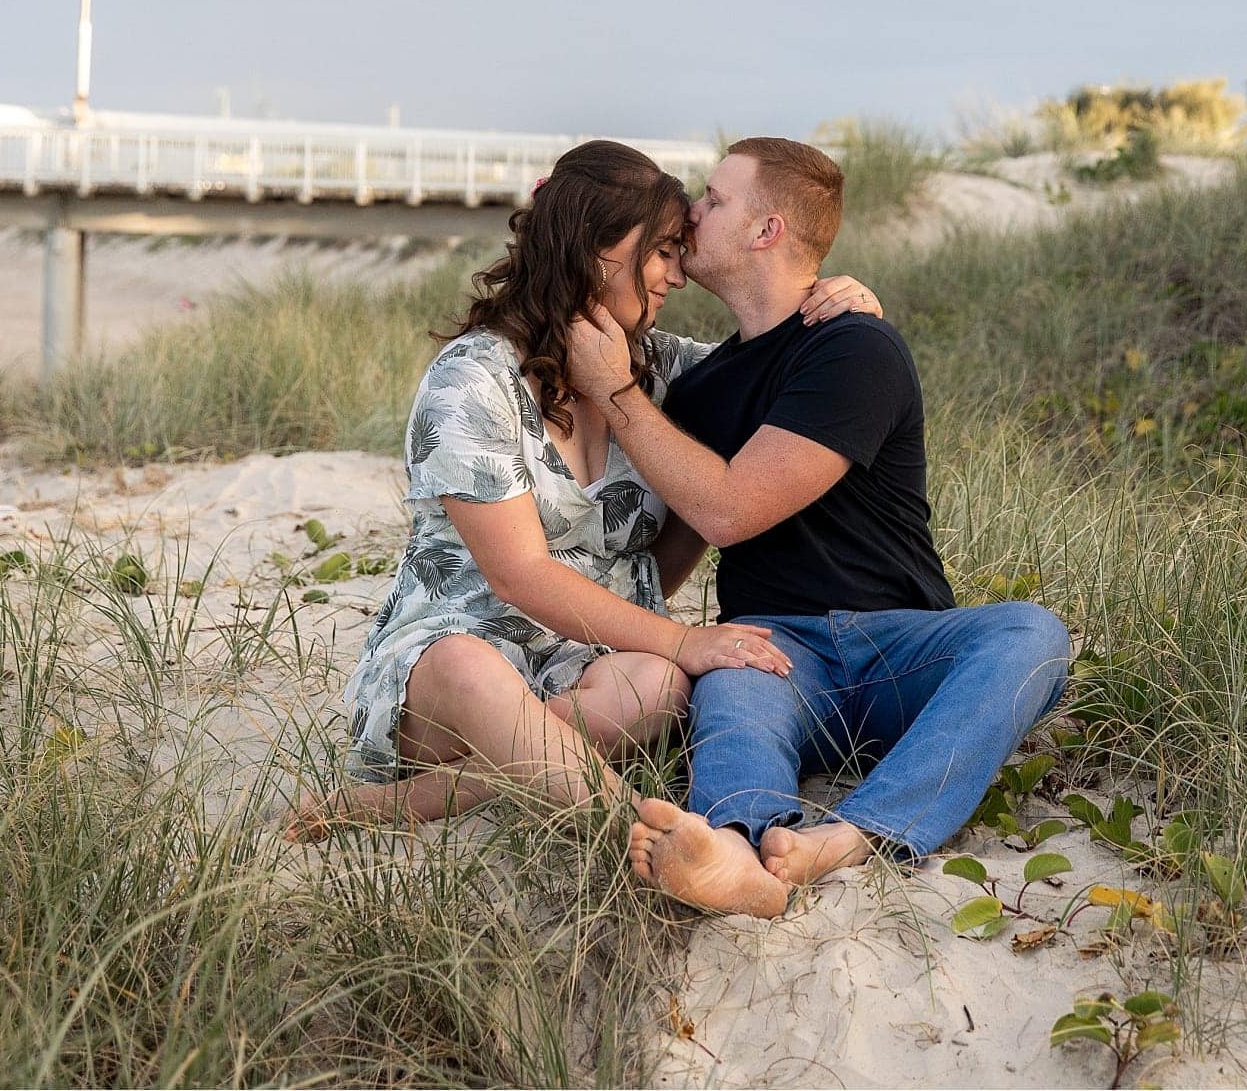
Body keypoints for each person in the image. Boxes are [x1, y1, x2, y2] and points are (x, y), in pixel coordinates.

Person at [285, 141, 880, 839]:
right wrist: (683, 638)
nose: (676, 275)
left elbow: (777, 363)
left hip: (584, 669)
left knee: (659, 688)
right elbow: (519, 575)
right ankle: (641, 836)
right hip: (449, 671)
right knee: (477, 672)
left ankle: (420, 801)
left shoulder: (663, 372)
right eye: (661, 251)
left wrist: (841, 297)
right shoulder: (472, 380)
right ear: (597, 252)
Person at [565, 137, 1071, 919]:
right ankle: (737, 852)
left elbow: (732, 506)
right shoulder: (699, 389)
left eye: (713, 198)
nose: (691, 212)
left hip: (899, 648)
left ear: (767, 230)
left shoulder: (854, 349)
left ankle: (854, 835)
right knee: (731, 681)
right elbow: (680, 545)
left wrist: (616, 395)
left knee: (1030, 635)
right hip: (775, 650)